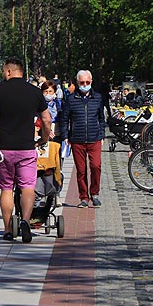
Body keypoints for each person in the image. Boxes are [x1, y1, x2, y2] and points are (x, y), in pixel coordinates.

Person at [0, 57, 51, 243]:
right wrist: (44, 138)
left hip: (4, 151)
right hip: (26, 149)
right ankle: (25, 221)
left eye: (3, 71)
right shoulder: (34, 92)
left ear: (9, 71)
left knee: (6, 189)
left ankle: (8, 229)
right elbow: (47, 119)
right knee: (27, 187)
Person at [60, 69, 106, 208]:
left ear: (91, 82)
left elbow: (101, 118)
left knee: (96, 166)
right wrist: (65, 136)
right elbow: (64, 119)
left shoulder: (97, 98)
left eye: (87, 82)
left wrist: (102, 134)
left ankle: (95, 194)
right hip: (77, 139)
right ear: (77, 82)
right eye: (82, 82)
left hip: (94, 138)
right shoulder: (71, 99)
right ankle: (84, 197)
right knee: (81, 170)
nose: (85, 84)